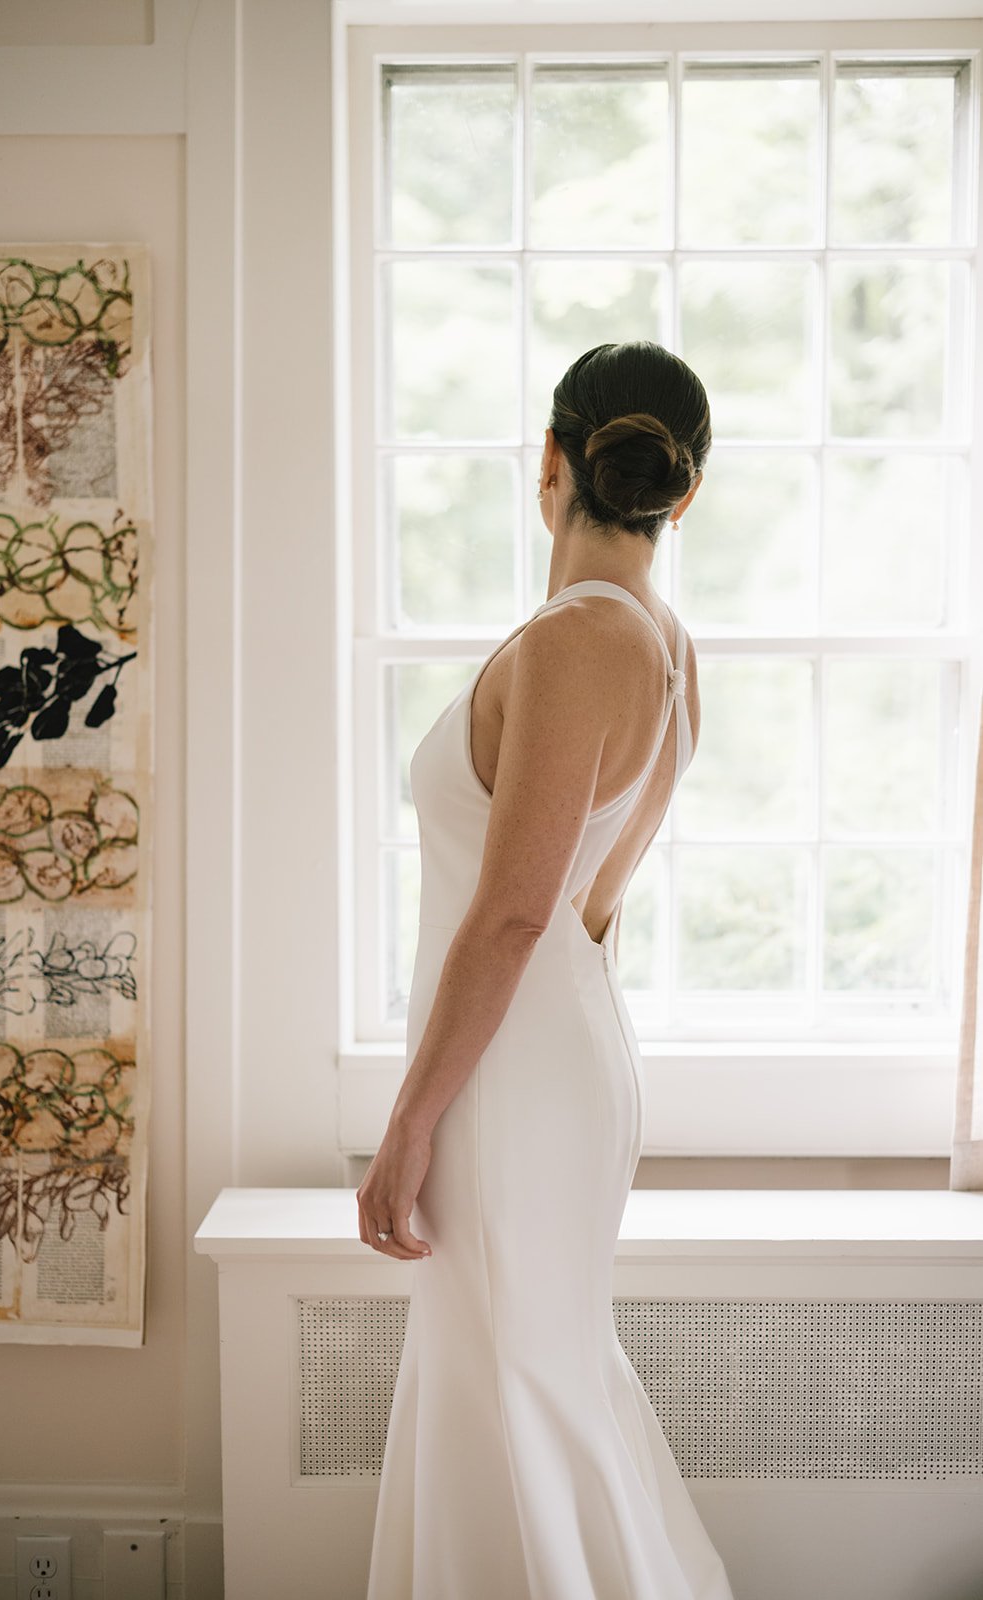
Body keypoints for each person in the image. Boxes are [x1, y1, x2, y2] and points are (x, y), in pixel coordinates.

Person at [358, 340, 735, 1599]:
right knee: (529, 1368)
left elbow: (516, 915)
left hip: (511, 1071)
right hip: (562, 1048)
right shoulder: (668, 647)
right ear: (682, 492)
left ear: (549, 464)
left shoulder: (575, 641)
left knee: (515, 1375)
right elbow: (592, 904)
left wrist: (410, 1119)